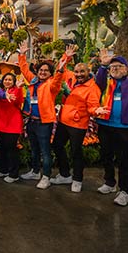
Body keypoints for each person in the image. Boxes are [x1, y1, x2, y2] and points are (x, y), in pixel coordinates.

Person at [94, 44, 128, 206]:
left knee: (123, 159)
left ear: (126, 69)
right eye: (113, 67)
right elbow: (98, 80)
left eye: (119, 66)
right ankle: (109, 182)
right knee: (106, 156)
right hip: (105, 124)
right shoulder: (106, 83)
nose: (115, 69)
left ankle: (125, 191)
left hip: (123, 127)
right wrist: (103, 65)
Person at [50, 45, 102, 192]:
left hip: (78, 124)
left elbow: (92, 106)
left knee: (75, 151)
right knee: (57, 145)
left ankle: (77, 178)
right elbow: (60, 70)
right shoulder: (71, 77)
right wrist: (66, 57)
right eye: (77, 71)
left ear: (88, 72)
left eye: (82, 72)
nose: (79, 74)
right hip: (63, 121)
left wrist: (96, 111)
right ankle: (65, 174)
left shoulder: (92, 88)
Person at [17, 40, 64, 190]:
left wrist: (61, 68)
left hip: (44, 123)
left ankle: (46, 177)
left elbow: (57, 81)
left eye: (46, 71)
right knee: (34, 148)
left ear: (50, 73)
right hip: (32, 121)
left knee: (45, 151)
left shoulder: (51, 85)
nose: (42, 72)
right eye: (41, 70)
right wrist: (22, 54)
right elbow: (24, 69)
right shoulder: (34, 81)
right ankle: (35, 172)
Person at [0, 73, 25, 183]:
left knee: (12, 151)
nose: (7, 81)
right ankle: (3, 169)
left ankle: (13, 174)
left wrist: (19, 88)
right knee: (2, 149)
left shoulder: (16, 90)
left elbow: (18, 101)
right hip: (0, 125)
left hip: (12, 125)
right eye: (5, 79)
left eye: (10, 80)